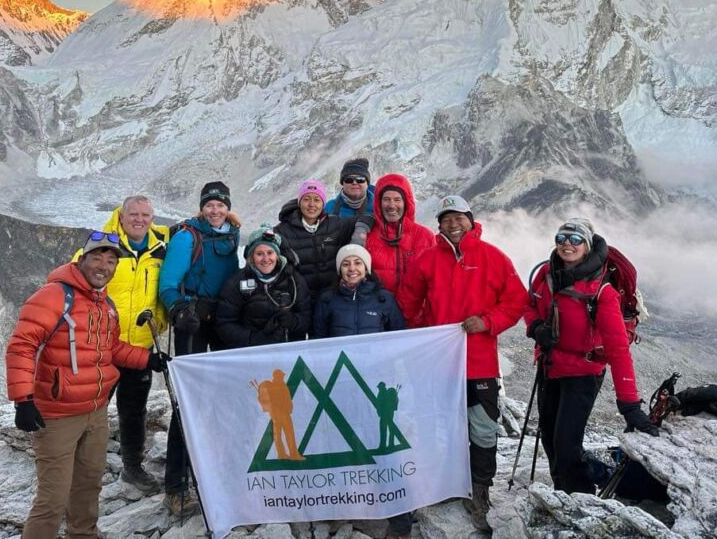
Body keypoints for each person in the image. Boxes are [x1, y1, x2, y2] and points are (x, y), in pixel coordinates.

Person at [6, 231, 168, 539]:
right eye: (97, 258)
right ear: (82, 260)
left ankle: (84, 535)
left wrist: (146, 359)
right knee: (52, 497)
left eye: (111, 261)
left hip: (95, 412)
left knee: (89, 484)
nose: (103, 266)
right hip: (56, 416)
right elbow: (21, 346)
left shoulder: (104, 303)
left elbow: (111, 348)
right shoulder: (54, 295)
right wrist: (23, 399)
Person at [398, 195, 528, 531]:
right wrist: (424, 337)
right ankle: (445, 486)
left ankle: (480, 489)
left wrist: (487, 322)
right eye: (446, 219)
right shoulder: (427, 260)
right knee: (441, 427)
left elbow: (516, 301)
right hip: (440, 362)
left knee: (482, 428)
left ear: (470, 220)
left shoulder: (493, 258)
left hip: (479, 364)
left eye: (459, 218)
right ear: (438, 225)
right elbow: (408, 305)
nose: (453, 225)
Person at [524, 218, 658, 495]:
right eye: (561, 238)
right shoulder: (546, 274)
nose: (566, 245)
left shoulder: (602, 291)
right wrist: (536, 327)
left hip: (584, 373)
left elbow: (618, 350)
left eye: (575, 239)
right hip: (550, 366)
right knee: (549, 437)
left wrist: (629, 405)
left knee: (566, 444)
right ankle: (562, 491)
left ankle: (580, 498)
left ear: (587, 246)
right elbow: (530, 305)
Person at [72, 195, 170, 491]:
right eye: (134, 214)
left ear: (153, 218)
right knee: (90, 407)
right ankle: (78, 469)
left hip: (140, 345)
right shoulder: (102, 247)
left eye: (145, 215)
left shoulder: (161, 249)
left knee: (134, 409)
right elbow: (74, 281)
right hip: (102, 346)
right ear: (122, 216)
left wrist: (162, 320)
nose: (139, 220)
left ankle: (132, 467)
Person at [310, 246, 410, 538]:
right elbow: (317, 342)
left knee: (384, 447)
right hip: (341, 386)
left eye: (358, 263)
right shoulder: (327, 300)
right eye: (346, 264)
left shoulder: (383, 299)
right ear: (339, 269)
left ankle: (399, 516)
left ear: (366, 268)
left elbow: (399, 337)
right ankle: (348, 503)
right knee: (343, 443)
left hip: (376, 387)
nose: (352, 268)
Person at [158, 180, 241, 516]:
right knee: (188, 402)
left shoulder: (231, 234)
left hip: (220, 320)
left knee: (221, 396)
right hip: (193, 320)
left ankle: (217, 472)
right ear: (202, 207)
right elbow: (168, 281)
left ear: (228, 207)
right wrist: (178, 309)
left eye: (221, 204)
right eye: (210, 204)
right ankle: (176, 487)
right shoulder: (186, 237)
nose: (215, 210)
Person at [216, 225, 312, 348]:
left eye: (270, 253)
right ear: (252, 257)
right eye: (259, 254)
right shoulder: (237, 282)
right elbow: (225, 324)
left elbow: (307, 317)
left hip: (289, 351)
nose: (266, 259)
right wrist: (253, 338)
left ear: (277, 255)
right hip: (253, 354)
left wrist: (293, 322)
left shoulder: (294, 280)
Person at [274, 179, 372, 299]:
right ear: (299, 202)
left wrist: (360, 233)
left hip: (332, 297)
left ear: (323, 203)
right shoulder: (283, 230)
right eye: (306, 199)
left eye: (316, 200)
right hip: (301, 298)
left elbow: (367, 218)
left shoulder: (335, 224)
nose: (311, 204)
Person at [364, 173, 434, 295]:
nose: (392, 205)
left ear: (406, 203)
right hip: (379, 310)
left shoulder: (425, 237)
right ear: (378, 204)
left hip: (416, 312)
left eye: (397, 199)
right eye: (386, 199)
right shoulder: (367, 236)